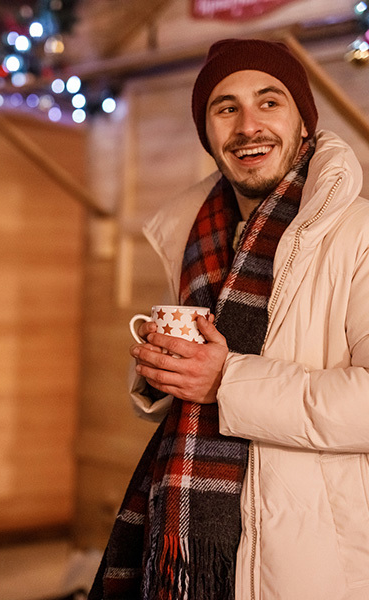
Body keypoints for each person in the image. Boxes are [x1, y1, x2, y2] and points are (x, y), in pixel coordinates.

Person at [88, 38, 369, 600]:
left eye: (270, 102)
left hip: (310, 559)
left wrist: (226, 380)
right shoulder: (195, 235)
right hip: (187, 541)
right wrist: (164, 370)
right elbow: (202, 384)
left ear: (303, 124)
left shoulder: (358, 234)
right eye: (226, 107)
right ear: (208, 133)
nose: (248, 126)